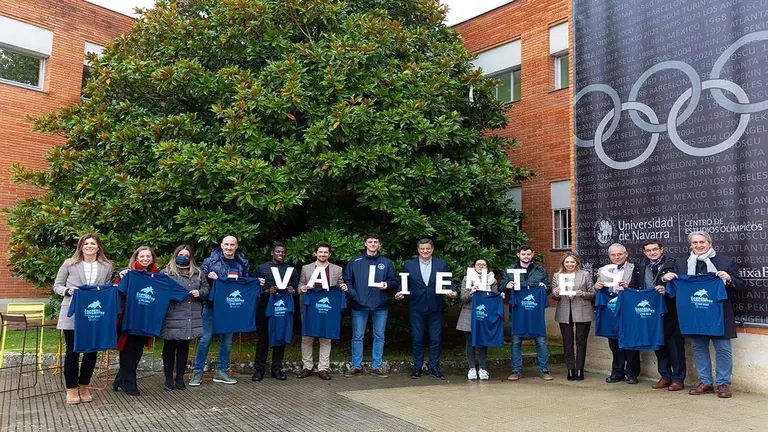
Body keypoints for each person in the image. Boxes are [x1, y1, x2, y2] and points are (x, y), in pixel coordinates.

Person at [662, 231, 745, 398]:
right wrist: (666, 278)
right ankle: (705, 382)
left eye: (702, 242)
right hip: (694, 315)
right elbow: (671, 289)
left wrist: (728, 278)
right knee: (699, 349)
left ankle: (723, 384)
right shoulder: (682, 263)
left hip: (719, 314)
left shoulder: (725, 261)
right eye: (695, 243)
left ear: (710, 243)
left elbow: (741, 285)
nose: (698, 245)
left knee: (723, 349)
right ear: (690, 245)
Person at [53, 233, 114, 405]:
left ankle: (84, 385)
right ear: (80, 247)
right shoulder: (69, 264)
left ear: (98, 247)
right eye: (85, 243)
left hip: (94, 315)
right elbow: (57, 285)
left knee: (91, 351)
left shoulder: (106, 266)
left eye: (92, 243)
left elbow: (106, 289)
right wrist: (68, 291)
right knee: (72, 351)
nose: (89, 246)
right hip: (72, 313)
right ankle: (71, 389)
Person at [189, 235, 250, 387]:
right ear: (221, 245)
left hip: (230, 307)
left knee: (227, 342)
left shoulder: (242, 263)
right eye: (226, 244)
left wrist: (256, 282)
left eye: (232, 245)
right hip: (211, 305)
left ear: (237, 246)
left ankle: (221, 372)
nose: (229, 248)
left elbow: (244, 283)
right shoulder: (210, 262)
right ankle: (197, 372)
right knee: (205, 339)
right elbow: (201, 282)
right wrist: (209, 278)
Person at [396, 239, 456, 380]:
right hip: (416, 306)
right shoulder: (409, 265)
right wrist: (400, 292)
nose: (425, 251)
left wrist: (452, 291)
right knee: (417, 338)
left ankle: (434, 367)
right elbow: (404, 284)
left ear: (432, 249)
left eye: (428, 249)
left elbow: (449, 282)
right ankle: (417, 367)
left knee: (435, 338)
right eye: (422, 249)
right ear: (418, 250)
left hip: (436, 306)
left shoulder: (441, 264)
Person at [629, 240, 684, 391]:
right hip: (650, 313)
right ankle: (665, 376)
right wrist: (626, 290)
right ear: (644, 252)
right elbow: (634, 286)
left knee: (675, 346)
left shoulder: (674, 264)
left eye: (655, 249)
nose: (652, 253)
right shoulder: (640, 266)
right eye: (648, 250)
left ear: (662, 249)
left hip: (670, 311)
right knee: (659, 346)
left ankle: (678, 379)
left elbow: (681, 286)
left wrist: (666, 290)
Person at [344, 233, 398, 378]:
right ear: (365, 244)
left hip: (380, 305)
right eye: (370, 242)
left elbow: (394, 281)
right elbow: (347, 281)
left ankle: (376, 366)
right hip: (359, 305)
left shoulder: (386, 262)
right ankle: (356, 366)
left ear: (378, 244)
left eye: (375, 242)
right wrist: (355, 296)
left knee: (379, 336)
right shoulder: (355, 261)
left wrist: (387, 284)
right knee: (357, 336)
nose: (373, 244)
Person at [499, 245, 552, 381]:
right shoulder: (510, 270)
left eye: (528, 254)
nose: (526, 256)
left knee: (541, 341)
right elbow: (501, 287)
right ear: (518, 255)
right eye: (523, 254)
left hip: (535, 313)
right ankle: (516, 370)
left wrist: (545, 288)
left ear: (532, 255)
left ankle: (544, 369)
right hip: (518, 312)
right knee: (516, 341)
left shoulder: (540, 270)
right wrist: (506, 286)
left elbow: (549, 287)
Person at [160, 245, 208, 391]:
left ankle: (180, 377)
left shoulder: (198, 273)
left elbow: (206, 288)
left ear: (191, 257)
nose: (183, 257)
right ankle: (168, 378)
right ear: (175, 255)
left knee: (183, 348)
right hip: (172, 315)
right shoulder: (166, 273)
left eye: (187, 255)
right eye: (181, 254)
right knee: (169, 348)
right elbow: (160, 291)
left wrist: (200, 292)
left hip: (190, 315)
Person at [296, 243, 346, 380]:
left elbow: (341, 284)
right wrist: (302, 289)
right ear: (315, 253)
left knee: (326, 338)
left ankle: (323, 368)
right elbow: (300, 284)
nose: (323, 254)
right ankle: (307, 367)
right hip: (310, 308)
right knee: (307, 338)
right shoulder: (306, 268)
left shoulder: (337, 269)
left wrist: (343, 287)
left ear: (329, 254)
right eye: (320, 252)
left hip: (328, 308)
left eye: (325, 252)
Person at [113, 246, 158, 396]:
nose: (145, 259)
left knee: (137, 351)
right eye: (142, 256)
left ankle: (120, 380)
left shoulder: (156, 276)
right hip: (128, 318)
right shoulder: (128, 273)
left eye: (148, 256)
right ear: (136, 258)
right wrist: (120, 275)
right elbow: (116, 287)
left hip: (145, 319)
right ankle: (130, 385)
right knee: (127, 350)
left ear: (152, 258)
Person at [594, 243, 639, 384]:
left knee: (630, 341)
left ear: (626, 254)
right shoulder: (602, 270)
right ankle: (617, 372)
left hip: (629, 309)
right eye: (613, 254)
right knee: (613, 341)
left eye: (620, 254)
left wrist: (629, 287)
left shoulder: (635, 268)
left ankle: (632, 373)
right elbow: (598, 287)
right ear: (609, 256)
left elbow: (641, 286)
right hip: (611, 309)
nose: (617, 257)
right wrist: (596, 286)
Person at [253, 243, 298, 381]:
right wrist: (267, 291)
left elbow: (295, 289)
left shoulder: (291, 269)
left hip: (283, 308)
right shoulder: (261, 268)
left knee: (280, 337)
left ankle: (277, 369)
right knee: (263, 339)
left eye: (283, 252)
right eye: (278, 251)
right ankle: (259, 370)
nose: (281, 254)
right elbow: (255, 289)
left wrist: (293, 291)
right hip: (265, 307)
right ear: (272, 252)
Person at [551, 252, 594, 381]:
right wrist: (556, 293)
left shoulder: (585, 275)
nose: (570, 264)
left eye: (572, 262)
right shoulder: (557, 276)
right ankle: (570, 369)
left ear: (577, 263)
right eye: (567, 262)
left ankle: (580, 369)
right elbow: (554, 296)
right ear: (563, 263)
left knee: (581, 342)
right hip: (564, 311)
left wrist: (584, 294)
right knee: (567, 342)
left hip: (582, 310)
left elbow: (593, 293)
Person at [456, 258, 499, 380]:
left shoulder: (492, 280)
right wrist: (471, 292)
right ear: (474, 266)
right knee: (470, 342)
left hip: (484, 314)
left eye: (483, 264)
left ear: (487, 267)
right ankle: (471, 368)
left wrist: (498, 296)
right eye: (478, 264)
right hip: (469, 313)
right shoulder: (467, 279)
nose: (481, 266)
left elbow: (493, 298)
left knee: (482, 342)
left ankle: (483, 368)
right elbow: (463, 298)